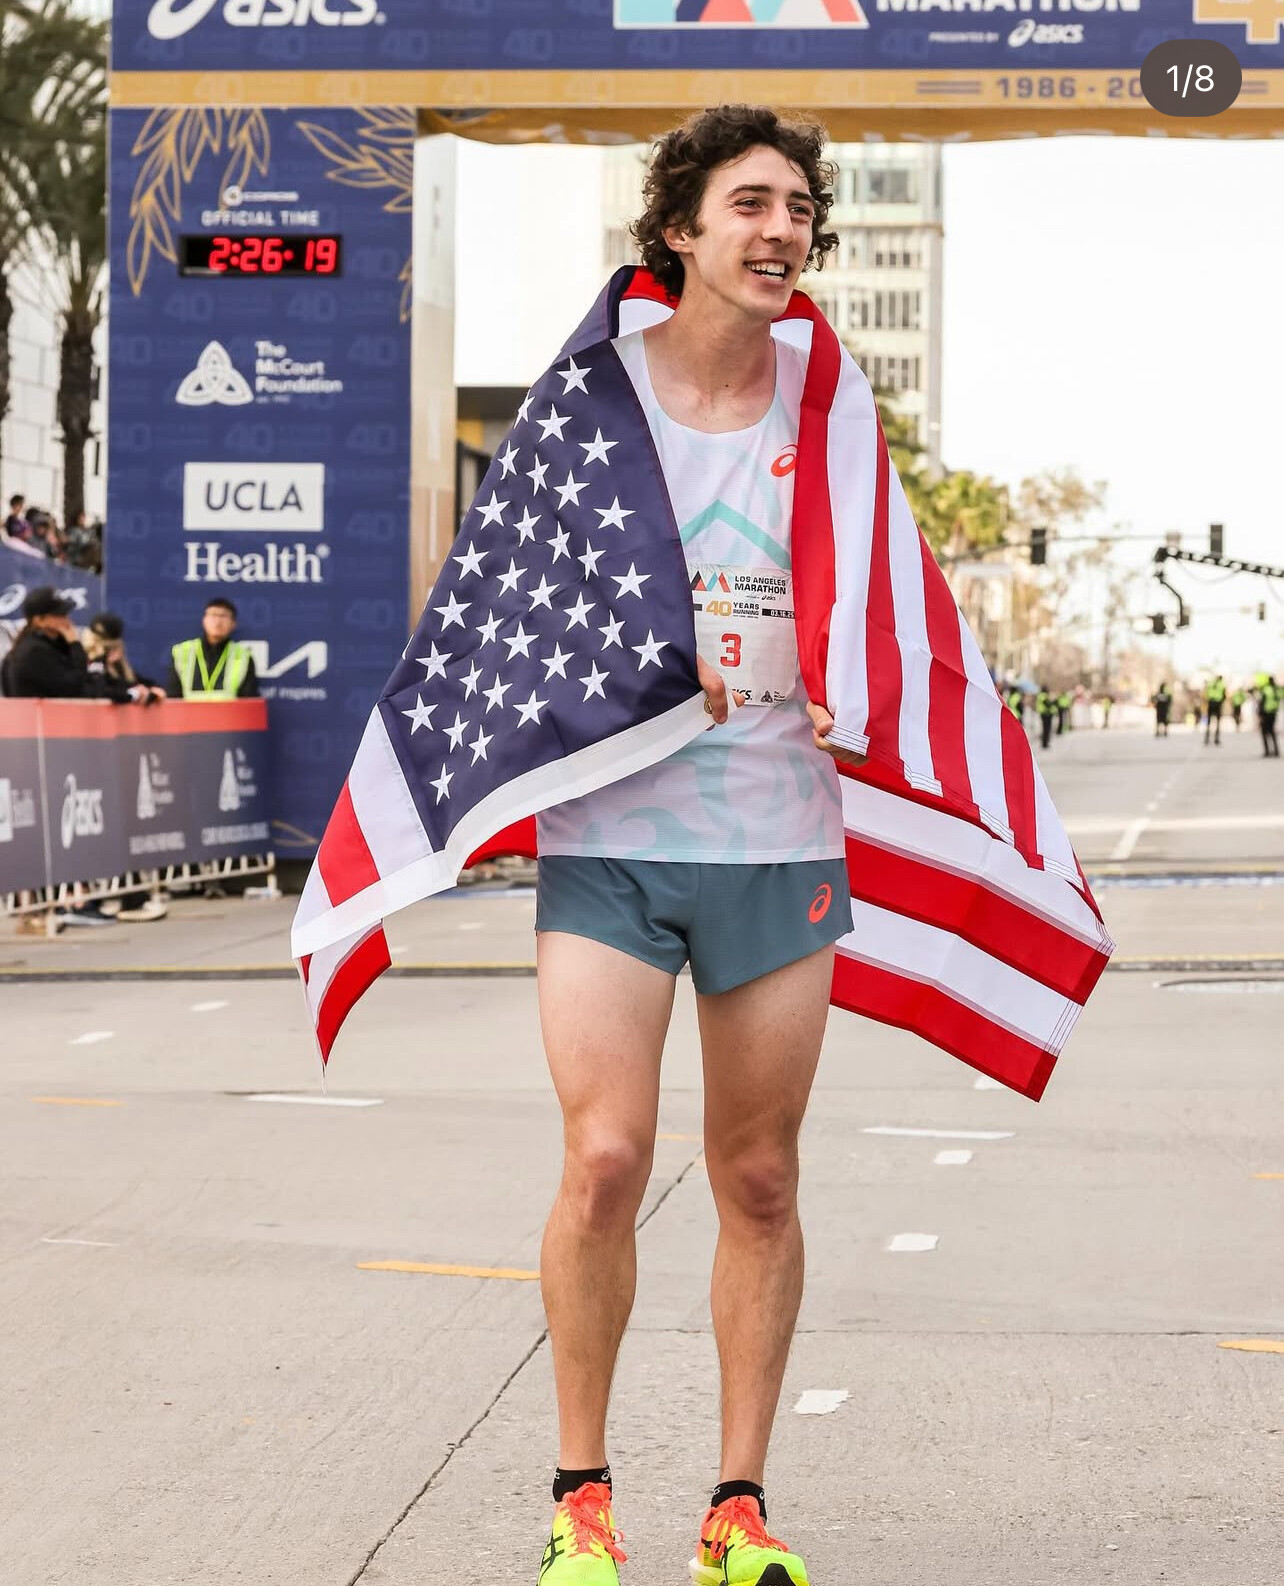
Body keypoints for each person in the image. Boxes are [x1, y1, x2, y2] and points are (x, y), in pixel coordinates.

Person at [525, 108, 871, 1586]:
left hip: (778, 827)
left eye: (798, 207)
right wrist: (648, 668)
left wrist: (856, 669)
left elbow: (874, 575)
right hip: (613, 827)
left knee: (761, 1176)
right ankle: (581, 1494)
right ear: (680, 227)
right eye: (750, 203)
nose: (781, 228)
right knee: (606, 1157)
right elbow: (521, 602)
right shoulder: (592, 394)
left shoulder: (832, 393)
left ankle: (738, 1504)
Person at [0, 586, 158, 703]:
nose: (67, 620)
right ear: (39, 620)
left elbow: (90, 681)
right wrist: (74, 644)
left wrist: (130, 690)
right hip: (40, 732)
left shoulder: (54, 646)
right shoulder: (33, 651)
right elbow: (75, 685)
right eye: (59, 615)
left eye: (65, 614)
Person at [166, 597, 258, 699]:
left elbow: (248, 700)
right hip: (188, 710)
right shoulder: (182, 652)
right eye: (213, 615)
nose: (218, 622)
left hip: (228, 710)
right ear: (204, 620)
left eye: (223, 616)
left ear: (233, 624)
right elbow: (173, 697)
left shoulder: (243, 656)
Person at [85, 611, 165, 698]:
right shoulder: (86, 664)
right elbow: (99, 690)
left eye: (114, 648)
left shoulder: (120, 668)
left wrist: (152, 689)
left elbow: (136, 683)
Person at [1259, 676, 1279, 758]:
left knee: (1264, 732)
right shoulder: (1277, 689)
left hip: (1266, 713)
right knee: (1272, 731)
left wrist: (1260, 714)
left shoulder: (1266, 689)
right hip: (1273, 713)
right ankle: (1276, 750)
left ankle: (1267, 751)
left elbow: (1262, 702)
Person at [1204, 673, 1226, 746]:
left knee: (1209, 721)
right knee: (1218, 722)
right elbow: (1224, 695)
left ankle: (1207, 738)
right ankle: (1216, 739)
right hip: (1218, 704)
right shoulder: (1222, 685)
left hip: (1211, 703)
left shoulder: (1210, 684)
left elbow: (1206, 693)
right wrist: (1221, 701)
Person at [1036, 685, 1056, 749]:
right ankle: (1045, 743)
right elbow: (1047, 704)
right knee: (1046, 729)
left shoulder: (1041, 695)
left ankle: (1045, 742)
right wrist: (1052, 701)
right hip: (1045, 714)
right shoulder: (1043, 695)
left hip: (1045, 713)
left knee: (1046, 729)